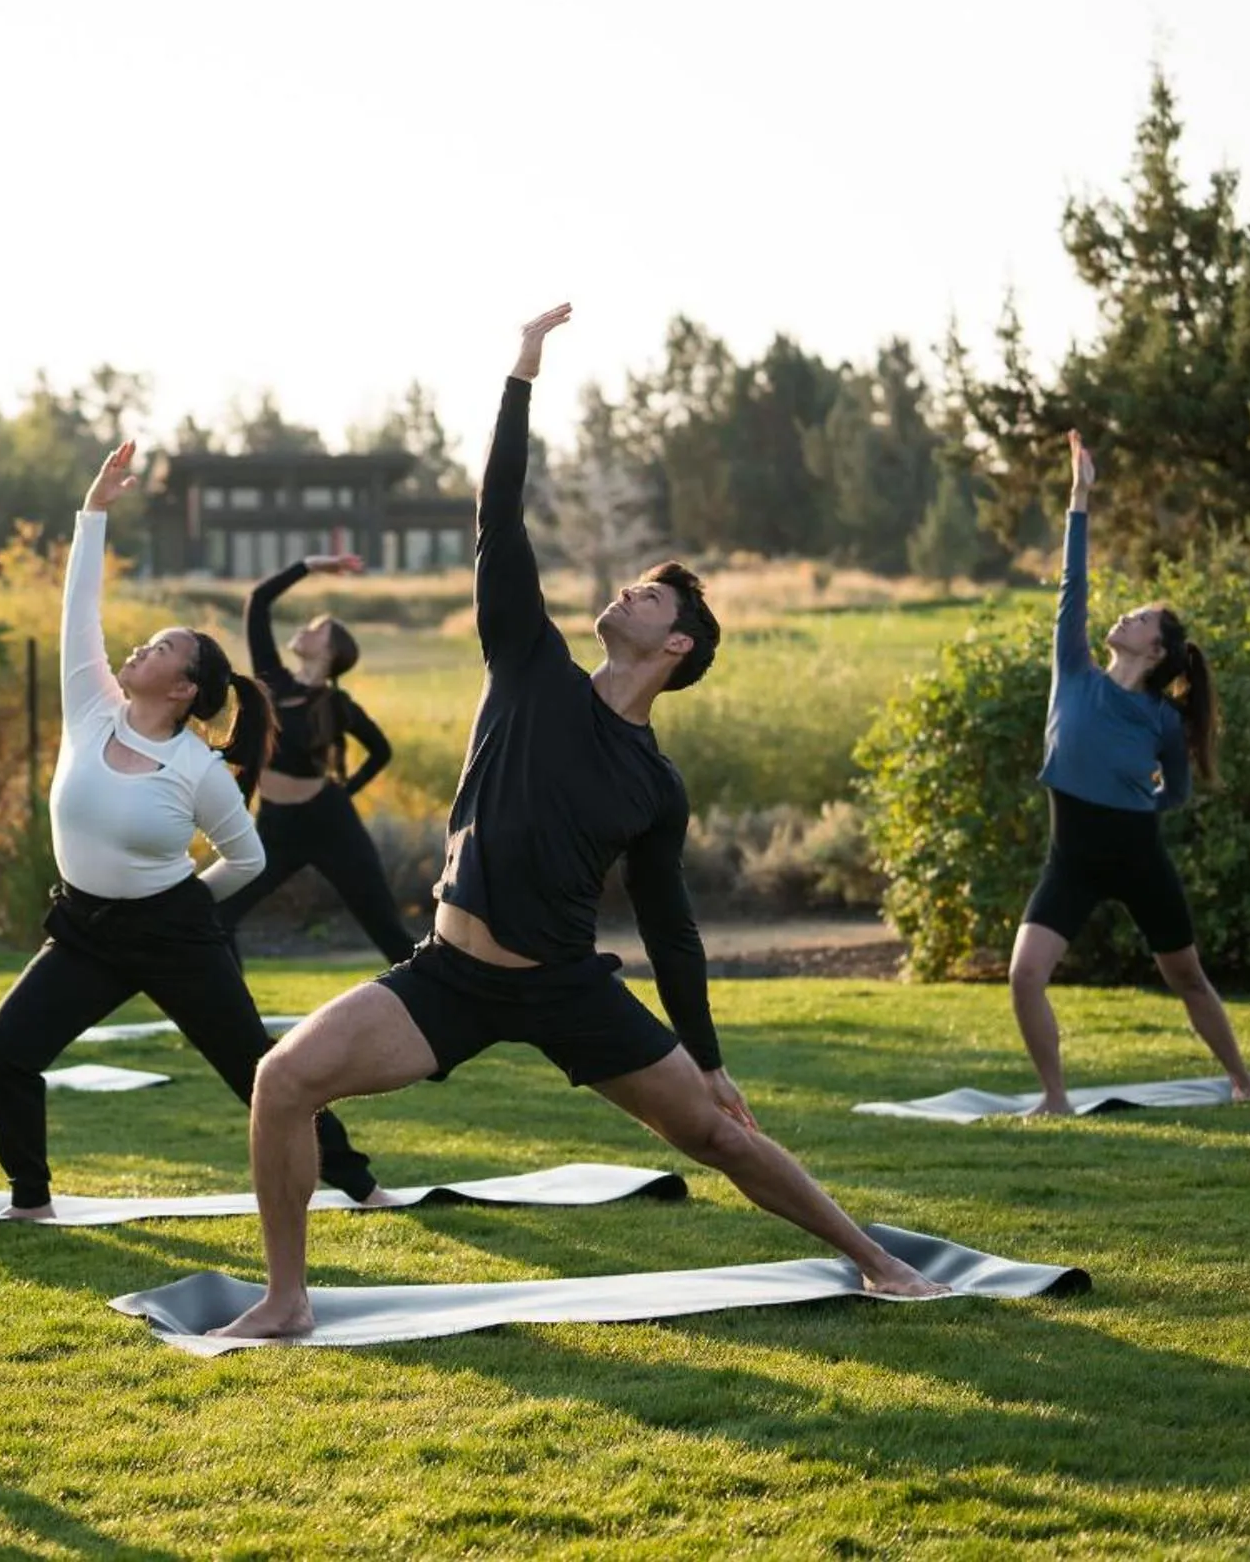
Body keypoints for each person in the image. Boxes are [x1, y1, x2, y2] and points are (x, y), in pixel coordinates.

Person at [213, 306, 945, 1339]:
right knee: (282, 1079)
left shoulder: (654, 784)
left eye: (647, 597)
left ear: (678, 647)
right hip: (449, 977)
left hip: (564, 987)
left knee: (719, 1137)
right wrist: (520, 379)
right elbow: (498, 517)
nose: (624, 594)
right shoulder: (529, 663)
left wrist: (707, 1056)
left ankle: (879, 1263)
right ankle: (286, 1299)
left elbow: (671, 927)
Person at [0, 441, 392, 1218]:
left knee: (259, 1072)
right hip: (86, 932)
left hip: (175, 936)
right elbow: (78, 612)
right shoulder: (91, 709)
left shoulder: (198, 768)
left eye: (161, 647)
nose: (140, 648)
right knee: (2, 1054)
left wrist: (188, 902)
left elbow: (247, 856)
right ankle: (31, 1201)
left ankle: (361, 1184)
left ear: (184, 688)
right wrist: (93, 511)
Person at [1006, 432, 1250, 1115]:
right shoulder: (1075, 671)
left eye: (1142, 617)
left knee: (1186, 977)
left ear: (1156, 651)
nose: (1127, 615)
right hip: (1071, 858)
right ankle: (1055, 1098)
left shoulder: (1161, 722)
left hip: (1136, 858)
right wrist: (1079, 496)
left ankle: (1243, 1078)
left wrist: (1148, 800)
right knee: (1025, 975)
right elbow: (1074, 584)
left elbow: (1175, 790)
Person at [212, 555, 417, 963]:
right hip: (276, 828)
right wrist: (309, 566)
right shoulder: (273, 681)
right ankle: (234, 1007)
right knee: (219, 916)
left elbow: (381, 751)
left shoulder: (336, 705)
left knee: (389, 934)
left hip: (331, 825)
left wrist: (346, 791)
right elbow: (258, 601)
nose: (304, 629)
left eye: (317, 628)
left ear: (330, 652)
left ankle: (448, 999)